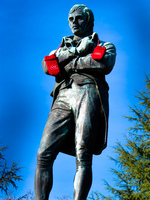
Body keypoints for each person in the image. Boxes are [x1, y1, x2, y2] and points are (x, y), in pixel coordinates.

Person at [35, 4, 116, 200]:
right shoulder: (61, 48)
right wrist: (77, 51)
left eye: (78, 18)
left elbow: (103, 64)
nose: (74, 23)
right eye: (71, 19)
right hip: (63, 96)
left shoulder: (104, 45)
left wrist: (68, 64)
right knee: (43, 154)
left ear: (89, 20)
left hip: (88, 92)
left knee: (83, 153)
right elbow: (48, 66)